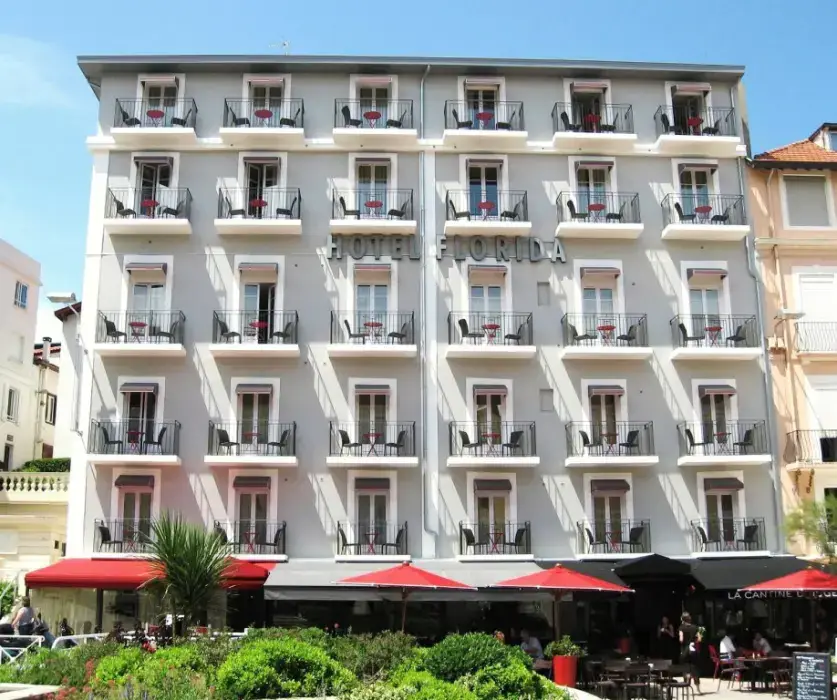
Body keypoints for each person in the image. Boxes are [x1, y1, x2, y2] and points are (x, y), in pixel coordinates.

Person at [679, 612, 701, 693]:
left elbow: (681, 639)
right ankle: (698, 689)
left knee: (685, 668)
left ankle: (686, 687)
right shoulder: (695, 627)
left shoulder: (681, 627)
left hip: (685, 650)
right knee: (695, 668)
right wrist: (694, 641)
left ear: (682, 619)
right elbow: (699, 639)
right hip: (693, 649)